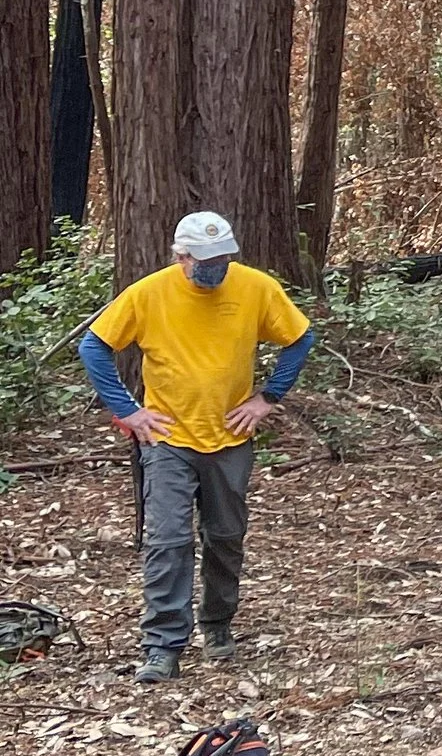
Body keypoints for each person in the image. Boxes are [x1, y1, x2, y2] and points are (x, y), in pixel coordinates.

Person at [81, 211, 315, 685]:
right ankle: (163, 646)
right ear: (181, 257)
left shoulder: (255, 288)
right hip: (167, 437)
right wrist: (128, 411)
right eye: (204, 260)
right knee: (167, 540)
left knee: (225, 535)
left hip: (230, 436)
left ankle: (217, 623)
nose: (214, 268)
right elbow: (94, 346)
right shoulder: (148, 293)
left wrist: (268, 398)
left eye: (222, 258)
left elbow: (299, 337)